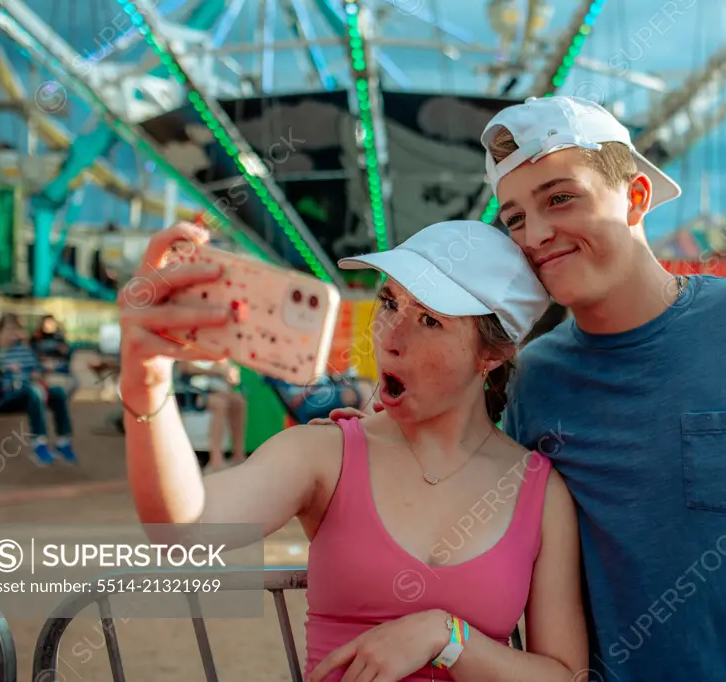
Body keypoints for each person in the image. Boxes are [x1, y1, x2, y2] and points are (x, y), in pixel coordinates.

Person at [325, 96, 726, 682]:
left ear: (635, 196)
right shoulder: (536, 376)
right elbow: (473, 504)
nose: (536, 235)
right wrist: (365, 444)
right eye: (515, 217)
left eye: (560, 198)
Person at [120, 221, 588, 681]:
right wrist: (146, 379)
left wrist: (447, 637)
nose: (390, 337)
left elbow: (566, 675)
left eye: (429, 320)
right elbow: (182, 531)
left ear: (492, 356)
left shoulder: (539, 491)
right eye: (389, 302)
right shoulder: (326, 455)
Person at [0, 313, 77, 465]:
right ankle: (39, 444)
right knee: (33, 392)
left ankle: (63, 442)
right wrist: (4, 369)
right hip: (1, 399)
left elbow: (36, 373)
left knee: (57, 392)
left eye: (14, 330)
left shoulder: (23, 350)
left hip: (26, 394)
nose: (11, 335)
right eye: (8, 330)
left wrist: (43, 371)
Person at [179, 359, 247, 470]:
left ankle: (238, 455)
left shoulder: (215, 351)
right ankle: (216, 460)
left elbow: (227, 367)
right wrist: (217, 372)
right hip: (189, 391)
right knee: (220, 404)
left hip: (213, 391)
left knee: (239, 401)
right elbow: (186, 368)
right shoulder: (188, 348)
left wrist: (231, 374)